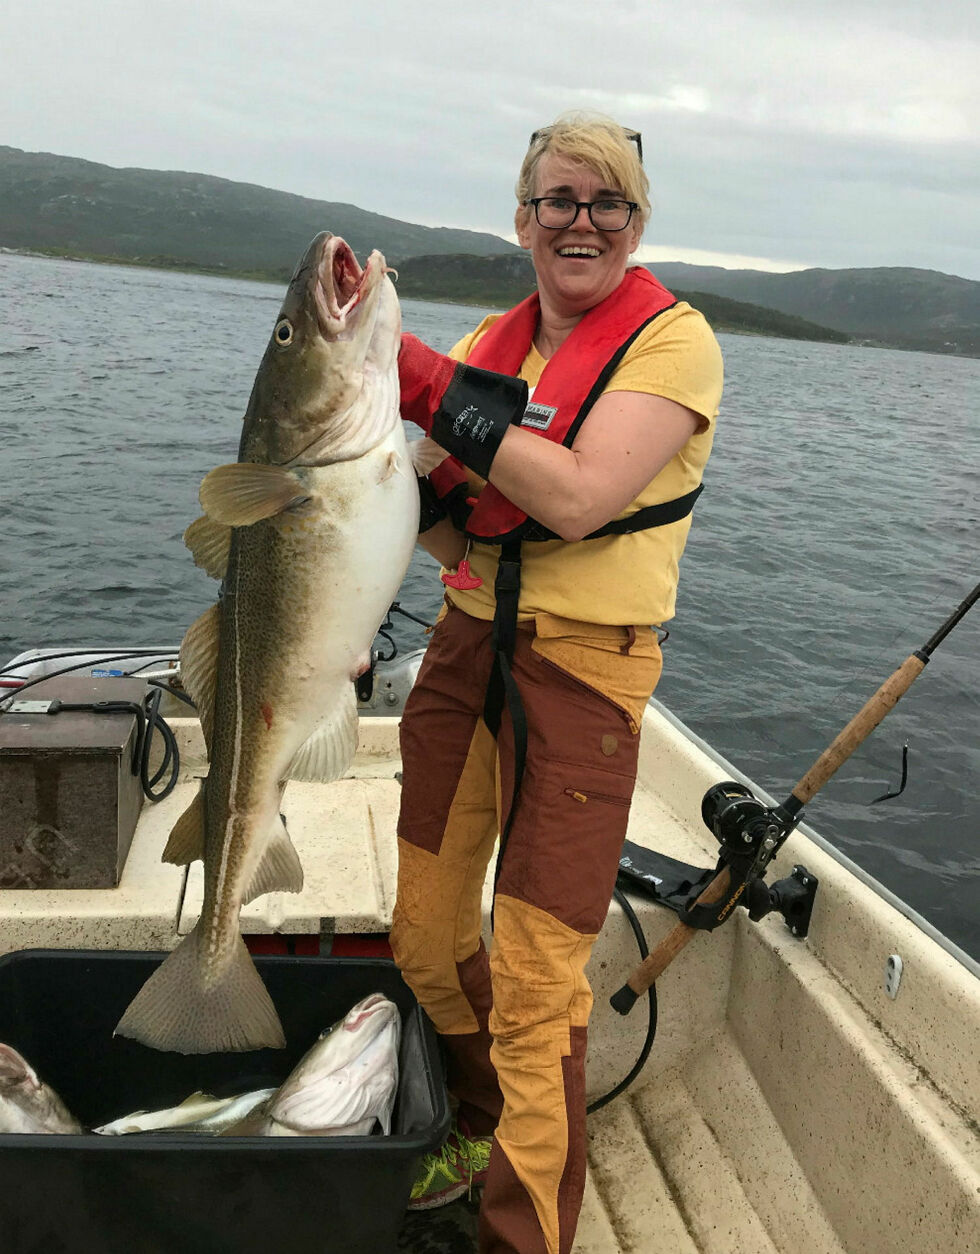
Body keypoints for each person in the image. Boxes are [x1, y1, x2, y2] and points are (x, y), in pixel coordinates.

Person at [390, 112, 723, 1254]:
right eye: (557, 201)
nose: (579, 222)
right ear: (521, 217)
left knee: (537, 985)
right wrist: (378, 491)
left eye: (606, 204)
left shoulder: (675, 346)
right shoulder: (495, 336)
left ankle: (519, 1238)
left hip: (584, 676)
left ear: (634, 222)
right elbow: (458, 533)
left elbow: (576, 501)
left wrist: (422, 383)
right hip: (461, 651)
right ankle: (479, 1128)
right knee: (426, 939)